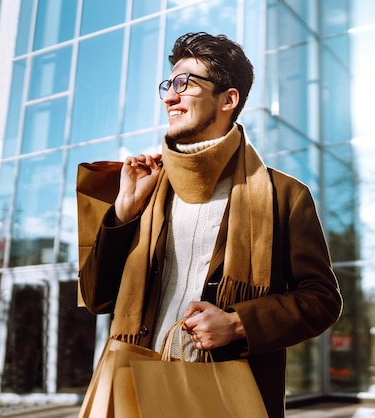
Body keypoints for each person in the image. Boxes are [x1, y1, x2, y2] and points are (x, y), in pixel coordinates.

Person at [78, 32, 342, 417]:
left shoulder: (284, 195)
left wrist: (238, 325)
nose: (170, 96)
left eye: (185, 84)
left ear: (228, 99)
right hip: (135, 387)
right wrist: (123, 211)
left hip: (227, 394)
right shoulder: (146, 188)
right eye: (169, 85)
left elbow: (322, 299)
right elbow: (97, 297)